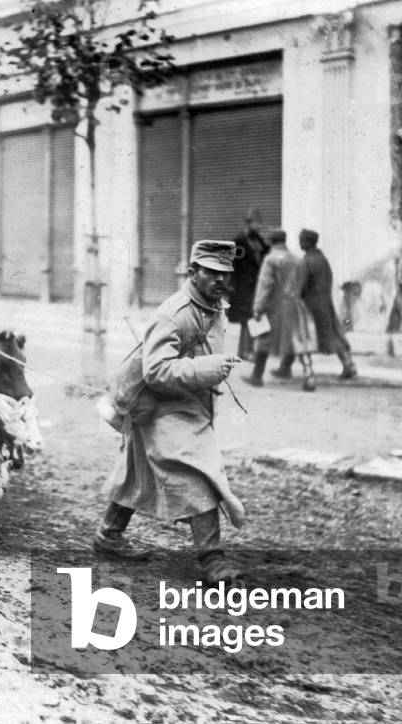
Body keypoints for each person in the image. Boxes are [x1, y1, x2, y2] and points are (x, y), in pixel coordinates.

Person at [93, 239, 246, 586]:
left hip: (185, 403)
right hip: (162, 405)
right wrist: (208, 369)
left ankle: (109, 535)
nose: (221, 280)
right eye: (212, 272)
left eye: (225, 273)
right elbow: (156, 372)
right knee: (197, 472)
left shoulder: (213, 306)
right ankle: (212, 560)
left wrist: (207, 373)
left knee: (137, 468)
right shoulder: (174, 314)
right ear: (192, 272)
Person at [244, 229, 318, 391]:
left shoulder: (271, 259)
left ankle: (257, 376)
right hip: (296, 304)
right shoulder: (298, 260)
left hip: (275, 306)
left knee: (264, 339)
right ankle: (309, 374)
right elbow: (304, 285)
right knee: (299, 340)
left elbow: (265, 285)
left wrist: (258, 308)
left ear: (271, 242)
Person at [296, 228, 357, 379]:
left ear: (307, 242)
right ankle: (348, 363)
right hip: (325, 303)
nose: (300, 243)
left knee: (302, 337)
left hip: (310, 306)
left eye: (302, 240)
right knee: (334, 334)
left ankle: (301, 370)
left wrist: (294, 297)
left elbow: (300, 287)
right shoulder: (322, 259)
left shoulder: (306, 261)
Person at [229, 209, 269, 361]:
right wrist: (231, 286)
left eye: (260, 223)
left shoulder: (260, 242)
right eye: (256, 223)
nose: (259, 226)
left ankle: (245, 350)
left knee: (252, 317)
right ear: (249, 223)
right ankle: (246, 350)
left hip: (256, 286)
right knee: (247, 317)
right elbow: (233, 265)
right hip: (243, 287)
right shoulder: (239, 242)